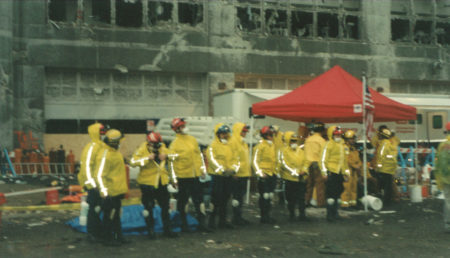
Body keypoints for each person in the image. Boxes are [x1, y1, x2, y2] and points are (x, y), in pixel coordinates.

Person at [130, 132, 177, 239]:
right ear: (149, 143)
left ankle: (167, 229)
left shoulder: (163, 148)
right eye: (154, 144)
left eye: (158, 144)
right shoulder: (142, 149)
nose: (156, 147)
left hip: (161, 183)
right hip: (147, 184)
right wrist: (147, 158)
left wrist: (167, 156)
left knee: (165, 207)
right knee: (148, 208)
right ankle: (150, 231)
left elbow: (175, 156)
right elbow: (133, 162)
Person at [168, 118, 209, 232]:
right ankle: (184, 225)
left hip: (195, 176)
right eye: (181, 126)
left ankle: (202, 224)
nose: (184, 127)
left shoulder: (192, 140)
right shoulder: (174, 145)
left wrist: (202, 170)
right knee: (183, 202)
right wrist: (174, 179)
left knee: (199, 201)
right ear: (177, 130)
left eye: (184, 125)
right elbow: (171, 163)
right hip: (183, 177)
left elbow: (199, 156)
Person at [96, 129, 129, 246]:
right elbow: (100, 175)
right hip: (110, 193)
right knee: (108, 217)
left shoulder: (115, 153)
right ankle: (107, 238)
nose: (121, 143)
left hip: (117, 191)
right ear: (114, 142)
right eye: (119, 140)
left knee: (116, 216)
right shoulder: (105, 156)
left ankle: (118, 236)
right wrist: (104, 191)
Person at [77, 122, 107, 242]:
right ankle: (92, 233)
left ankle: (98, 231)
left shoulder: (101, 146)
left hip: (100, 184)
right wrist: (92, 185)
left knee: (99, 208)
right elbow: (87, 167)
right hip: (94, 185)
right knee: (93, 209)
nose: (104, 135)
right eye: (102, 132)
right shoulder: (92, 147)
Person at [206, 124, 239, 229]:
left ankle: (222, 222)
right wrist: (222, 170)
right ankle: (211, 222)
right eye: (223, 133)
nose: (225, 135)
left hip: (228, 176)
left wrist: (233, 169)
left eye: (226, 133)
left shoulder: (230, 146)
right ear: (218, 134)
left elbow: (236, 159)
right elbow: (212, 160)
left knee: (225, 199)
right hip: (217, 177)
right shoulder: (212, 146)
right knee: (215, 200)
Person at [320, 126, 350, 222]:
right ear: (331, 135)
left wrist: (346, 173)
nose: (338, 136)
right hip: (331, 172)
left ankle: (335, 213)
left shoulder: (342, 145)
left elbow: (344, 161)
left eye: (339, 134)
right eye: (336, 134)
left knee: (338, 193)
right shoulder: (328, 145)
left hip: (339, 173)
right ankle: (330, 215)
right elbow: (322, 160)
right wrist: (324, 172)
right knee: (331, 194)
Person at [279, 131, 308, 222]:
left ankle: (302, 215)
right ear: (288, 141)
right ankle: (292, 215)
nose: (294, 143)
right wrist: (294, 172)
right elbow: (284, 164)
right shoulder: (284, 151)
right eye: (292, 141)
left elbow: (306, 162)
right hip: (289, 178)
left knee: (302, 198)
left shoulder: (301, 151)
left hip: (301, 178)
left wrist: (304, 170)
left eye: (295, 141)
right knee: (291, 198)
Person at [253, 126, 277, 224]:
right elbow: (255, 161)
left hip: (272, 174)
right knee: (265, 196)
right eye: (269, 134)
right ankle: (264, 216)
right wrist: (260, 173)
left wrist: (276, 171)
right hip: (264, 174)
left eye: (272, 134)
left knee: (270, 196)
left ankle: (268, 215)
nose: (271, 136)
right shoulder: (260, 146)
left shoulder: (272, 146)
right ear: (264, 135)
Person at [229, 122, 251, 226]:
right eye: (243, 131)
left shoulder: (243, 143)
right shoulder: (233, 142)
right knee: (236, 197)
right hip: (238, 174)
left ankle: (238, 216)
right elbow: (233, 158)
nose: (245, 133)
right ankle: (236, 218)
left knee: (240, 197)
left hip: (244, 173)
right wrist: (235, 172)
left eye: (245, 132)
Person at [304, 122, 327, 207]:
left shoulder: (308, 139)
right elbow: (323, 154)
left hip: (307, 164)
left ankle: (306, 201)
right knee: (319, 185)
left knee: (308, 184)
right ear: (322, 131)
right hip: (317, 164)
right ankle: (320, 203)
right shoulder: (322, 140)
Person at [375, 128, 398, 207]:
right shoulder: (390, 143)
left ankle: (386, 202)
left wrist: (378, 166)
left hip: (384, 168)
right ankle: (388, 201)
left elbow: (381, 155)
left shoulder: (384, 144)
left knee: (385, 186)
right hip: (390, 168)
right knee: (388, 186)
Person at [340, 130, 362, 209]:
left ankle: (353, 203)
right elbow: (347, 159)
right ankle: (345, 204)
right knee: (347, 188)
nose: (353, 140)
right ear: (347, 139)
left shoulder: (353, 148)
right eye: (351, 139)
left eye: (353, 138)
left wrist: (359, 165)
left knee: (353, 188)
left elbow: (358, 158)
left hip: (354, 171)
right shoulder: (345, 148)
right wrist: (355, 166)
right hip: (347, 170)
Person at [435, 122, 450, 232]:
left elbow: (442, 164)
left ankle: (448, 224)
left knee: (448, 201)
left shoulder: (444, 145)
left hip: (447, 178)